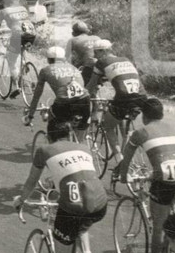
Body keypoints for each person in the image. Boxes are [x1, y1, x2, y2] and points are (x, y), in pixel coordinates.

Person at [13, 112, 108, 253]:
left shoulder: (44, 150)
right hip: (100, 202)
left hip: (71, 205)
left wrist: (21, 201)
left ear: (48, 136)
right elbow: (77, 175)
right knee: (81, 225)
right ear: (71, 135)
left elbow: (31, 182)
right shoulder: (83, 148)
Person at [117, 98, 175, 253]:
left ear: (144, 116)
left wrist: (122, 176)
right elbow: (169, 154)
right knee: (171, 207)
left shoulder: (140, 132)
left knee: (158, 227)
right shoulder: (174, 126)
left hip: (165, 178)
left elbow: (126, 158)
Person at [85, 39, 144, 174]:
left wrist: (82, 95)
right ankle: (127, 157)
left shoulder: (101, 62)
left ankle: (120, 160)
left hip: (123, 99)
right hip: (141, 97)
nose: (95, 56)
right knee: (125, 128)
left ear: (103, 51)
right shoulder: (125, 59)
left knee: (108, 125)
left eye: (96, 52)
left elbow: (92, 85)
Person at [24, 46, 90, 141]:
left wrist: (30, 115)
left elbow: (37, 96)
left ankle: (54, 145)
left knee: (53, 126)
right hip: (85, 100)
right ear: (64, 58)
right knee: (80, 134)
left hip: (64, 102)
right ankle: (80, 146)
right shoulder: (73, 68)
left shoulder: (45, 70)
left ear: (48, 59)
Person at [0, 0, 36, 98]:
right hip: (32, 34)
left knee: (12, 61)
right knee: (22, 52)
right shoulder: (23, 8)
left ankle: (16, 87)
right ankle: (27, 73)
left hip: (18, 36)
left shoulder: (3, 11)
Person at [65, 20, 102, 87]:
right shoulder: (96, 38)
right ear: (86, 31)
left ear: (74, 32)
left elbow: (67, 57)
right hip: (101, 66)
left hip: (88, 67)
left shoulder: (72, 40)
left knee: (80, 85)